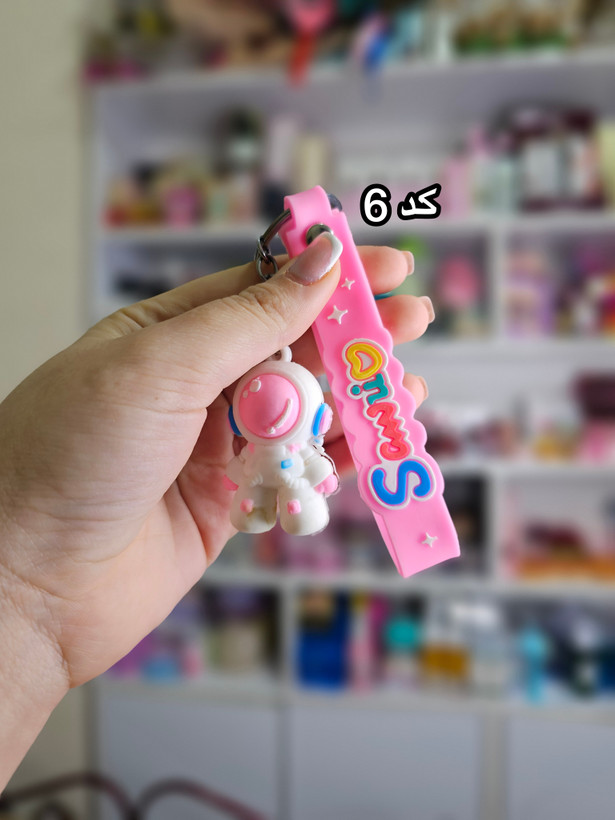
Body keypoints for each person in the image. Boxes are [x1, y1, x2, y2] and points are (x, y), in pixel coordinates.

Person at [0, 234, 433, 788]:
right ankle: (263, 505)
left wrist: (28, 603)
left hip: (286, 470)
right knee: (254, 496)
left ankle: (287, 505)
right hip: (256, 471)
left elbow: (313, 456)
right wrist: (26, 597)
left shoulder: (297, 420)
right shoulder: (254, 419)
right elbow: (248, 454)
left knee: (292, 495)